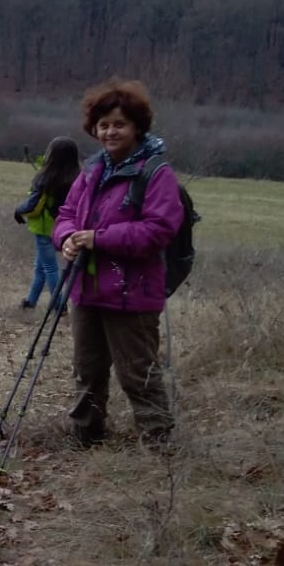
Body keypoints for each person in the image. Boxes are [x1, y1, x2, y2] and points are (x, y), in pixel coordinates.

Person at [53, 79, 183, 445]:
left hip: (133, 292)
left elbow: (158, 231)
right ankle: (86, 435)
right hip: (88, 287)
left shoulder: (156, 173)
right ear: (94, 129)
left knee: (137, 372)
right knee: (87, 369)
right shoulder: (92, 170)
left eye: (119, 124)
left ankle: (159, 443)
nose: (110, 131)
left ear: (137, 126)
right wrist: (65, 239)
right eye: (104, 125)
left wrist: (99, 238)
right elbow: (66, 213)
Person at [14, 137, 81, 309]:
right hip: (63, 229)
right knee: (41, 266)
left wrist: (18, 210)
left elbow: (32, 204)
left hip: (44, 229)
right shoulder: (77, 179)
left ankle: (59, 305)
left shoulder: (46, 178)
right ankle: (31, 301)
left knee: (50, 268)